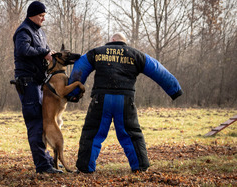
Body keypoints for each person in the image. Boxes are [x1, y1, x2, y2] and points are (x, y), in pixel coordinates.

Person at [67, 32, 183, 173]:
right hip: (125, 100)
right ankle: (140, 167)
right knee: (131, 133)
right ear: (124, 42)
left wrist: (73, 93)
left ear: (113, 40)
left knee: (93, 132)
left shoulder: (97, 52)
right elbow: (157, 69)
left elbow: (81, 66)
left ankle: (85, 168)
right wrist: (174, 90)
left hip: (101, 99)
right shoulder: (134, 54)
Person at [13, 1, 63, 174]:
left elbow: (43, 50)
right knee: (35, 122)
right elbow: (23, 49)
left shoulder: (39, 32)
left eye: (44, 16)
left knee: (43, 122)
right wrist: (43, 52)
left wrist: (51, 54)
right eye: (41, 15)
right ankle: (42, 166)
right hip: (28, 82)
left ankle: (47, 160)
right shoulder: (24, 30)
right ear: (31, 15)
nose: (43, 18)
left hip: (38, 83)